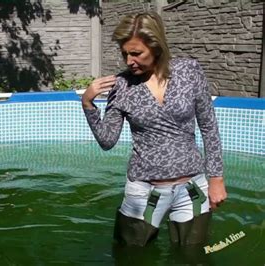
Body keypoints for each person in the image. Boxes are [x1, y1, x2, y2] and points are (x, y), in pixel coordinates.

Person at [82, 12, 227, 247]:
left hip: (192, 189)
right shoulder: (122, 86)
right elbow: (107, 141)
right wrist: (88, 103)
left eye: (136, 53)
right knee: (130, 256)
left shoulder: (189, 71)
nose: (129, 61)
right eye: (125, 53)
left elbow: (209, 127)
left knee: (192, 256)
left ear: (157, 46)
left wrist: (216, 179)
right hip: (144, 193)